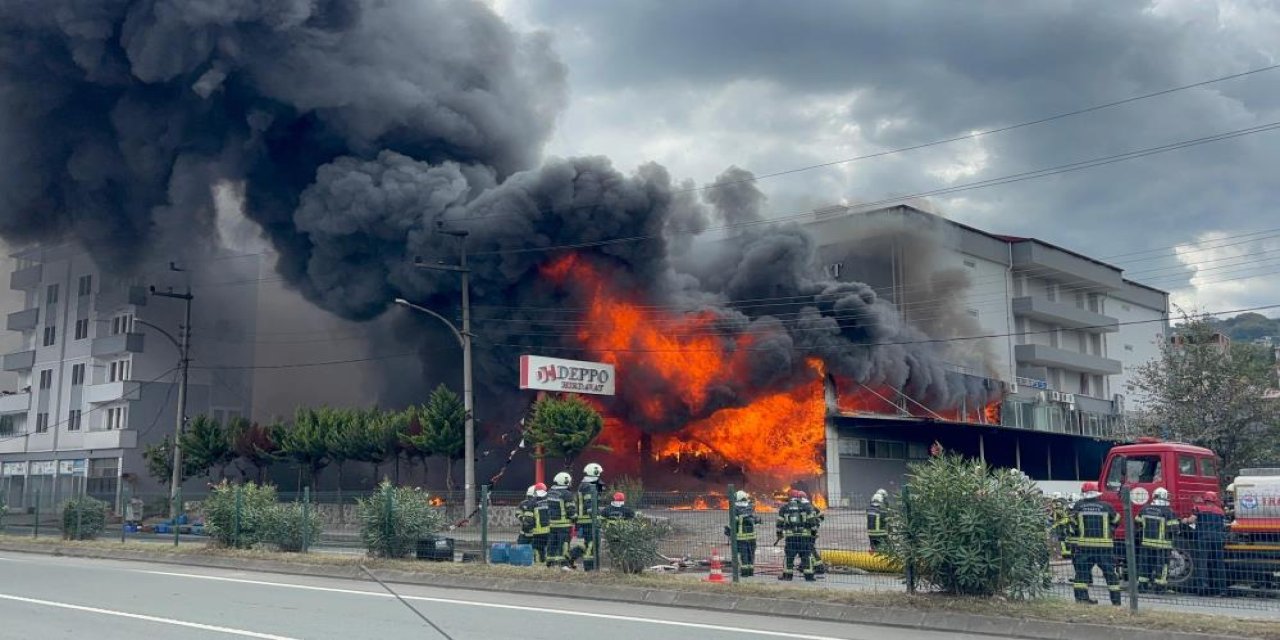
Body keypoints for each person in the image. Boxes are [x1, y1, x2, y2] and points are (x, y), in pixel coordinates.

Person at [1068, 481, 1122, 606]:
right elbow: (1117, 519)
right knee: (1110, 574)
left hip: (1085, 547)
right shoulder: (1106, 506)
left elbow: (1072, 524)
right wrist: (1111, 529)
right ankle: (1116, 602)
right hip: (1104, 547)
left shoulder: (1078, 506)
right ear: (1096, 493)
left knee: (1081, 574)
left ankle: (1082, 600)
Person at [1185, 492, 1228, 596]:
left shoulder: (1199, 508)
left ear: (1205, 500)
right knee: (1218, 564)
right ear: (1214, 500)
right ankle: (1221, 589)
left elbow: (1191, 520)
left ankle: (1203, 588)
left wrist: (1184, 520)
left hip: (1203, 539)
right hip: (1218, 540)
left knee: (1202, 563)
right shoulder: (1220, 511)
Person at [1137, 487, 1178, 592]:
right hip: (1163, 546)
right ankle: (1159, 587)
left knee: (1145, 564)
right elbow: (1174, 529)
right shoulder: (1168, 511)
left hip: (1146, 543)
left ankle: (1142, 586)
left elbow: (1137, 522)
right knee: (1162, 565)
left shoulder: (1145, 509)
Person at [776, 489, 821, 582]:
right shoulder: (806, 507)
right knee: (806, 556)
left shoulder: (784, 508)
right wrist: (813, 533)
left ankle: (787, 576)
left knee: (789, 556)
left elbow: (779, 523)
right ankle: (809, 577)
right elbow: (812, 522)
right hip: (804, 537)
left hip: (791, 537)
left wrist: (779, 534)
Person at [573, 462, 606, 570]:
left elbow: (601, 487)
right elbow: (589, 504)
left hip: (585, 520)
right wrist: (596, 519)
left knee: (589, 543)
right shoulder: (588, 487)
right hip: (589, 520)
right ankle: (589, 567)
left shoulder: (584, 484)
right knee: (592, 544)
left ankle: (572, 556)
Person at [544, 471, 577, 568]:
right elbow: (570, 509)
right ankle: (564, 565)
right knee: (564, 545)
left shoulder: (549, 493)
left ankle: (550, 563)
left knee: (552, 544)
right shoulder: (567, 494)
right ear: (565, 481)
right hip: (564, 525)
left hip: (552, 524)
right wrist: (575, 518)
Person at [725, 490, 759, 577]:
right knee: (751, 554)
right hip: (752, 537)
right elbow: (756, 520)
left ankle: (744, 573)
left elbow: (733, 523)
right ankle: (750, 572)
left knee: (743, 555)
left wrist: (728, 531)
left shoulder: (735, 509)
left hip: (741, 538)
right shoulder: (750, 508)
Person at [529, 483, 551, 564]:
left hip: (537, 532)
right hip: (549, 530)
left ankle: (538, 564)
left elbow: (529, 518)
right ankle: (548, 564)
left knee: (538, 549)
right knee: (550, 548)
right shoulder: (549, 500)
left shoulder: (532, 502)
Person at [517, 485, 538, 550]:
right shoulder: (523, 504)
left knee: (522, 550)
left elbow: (517, 514)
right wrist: (523, 519)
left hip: (527, 534)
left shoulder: (523, 503)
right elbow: (518, 513)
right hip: (528, 533)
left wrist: (523, 519)